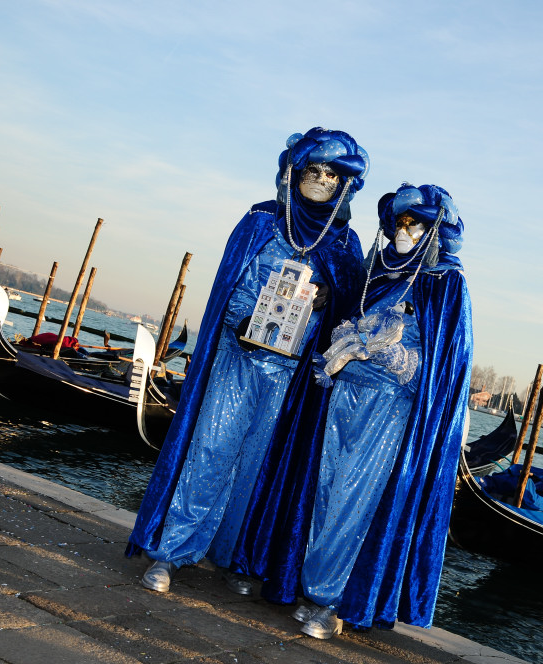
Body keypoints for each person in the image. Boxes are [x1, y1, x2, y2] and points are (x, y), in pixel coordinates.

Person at [125, 128, 369, 594]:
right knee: (211, 450)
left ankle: (236, 555)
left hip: (291, 377)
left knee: (261, 465)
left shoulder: (345, 245)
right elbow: (228, 286)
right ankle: (172, 552)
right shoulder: (261, 221)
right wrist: (243, 320)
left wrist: (324, 303)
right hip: (238, 359)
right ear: (293, 172)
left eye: (331, 173)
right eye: (312, 169)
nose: (320, 179)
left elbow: (348, 315)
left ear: (345, 184)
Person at [233, 183, 472, 639]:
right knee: (325, 494)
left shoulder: (445, 282)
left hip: (388, 410)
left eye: (414, 222)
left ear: (435, 229)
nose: (404, 230)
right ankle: (316, 592)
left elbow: (438, 370)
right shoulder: (378, 272)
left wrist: (382, 351)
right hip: (342, 397)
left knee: (353, 502)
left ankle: (336, 601)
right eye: (399, 222)